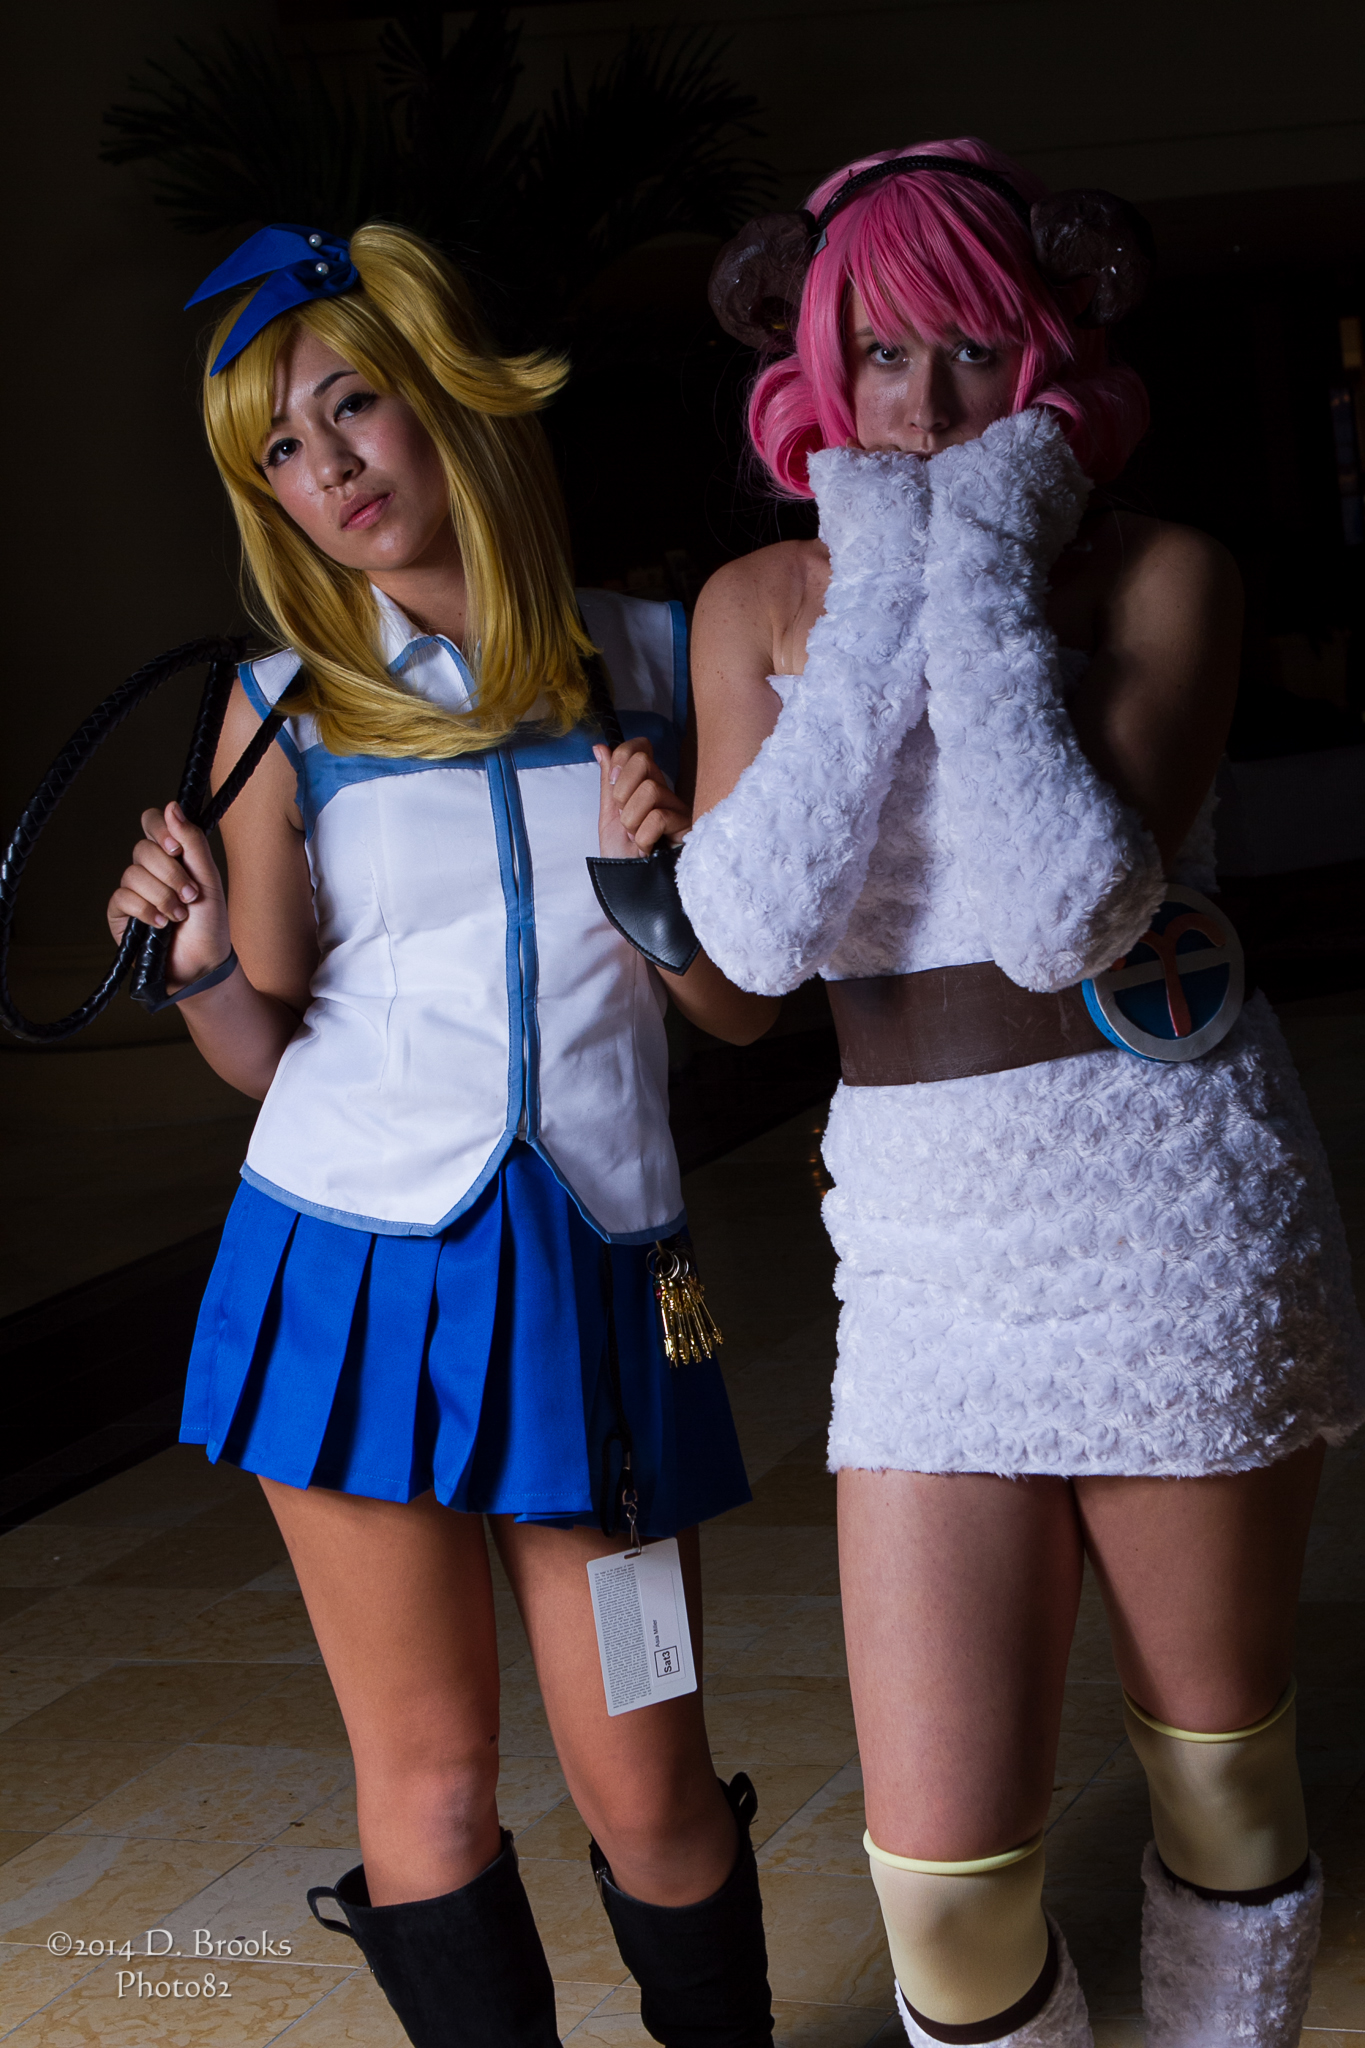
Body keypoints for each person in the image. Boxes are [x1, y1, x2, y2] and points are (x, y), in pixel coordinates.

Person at [663, 139, 1365, 2048]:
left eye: (973, 348)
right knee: (947, 1896)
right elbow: (744, 955)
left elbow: (1067, 906)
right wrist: (873, 603)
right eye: (878, 355)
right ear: (816, 368)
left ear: (1048, 349)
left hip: (1163, 1209)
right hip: (921, 1249)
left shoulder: (1164, 576)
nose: (922, 402)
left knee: (1220, 1784)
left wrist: (965, 565)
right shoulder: (754, 604)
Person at [107, 220, 780, 2048]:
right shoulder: (275, 708)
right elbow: (264, 1045)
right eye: (281, 449)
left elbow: (738, 1012)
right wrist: (192, 960)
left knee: (648, 1779)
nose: (328, 468)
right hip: (346, 1279)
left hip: (603, 1292)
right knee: (428, 1780)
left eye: (353, 407)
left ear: (448, 399)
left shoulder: (666, 659)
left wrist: (658, 887)